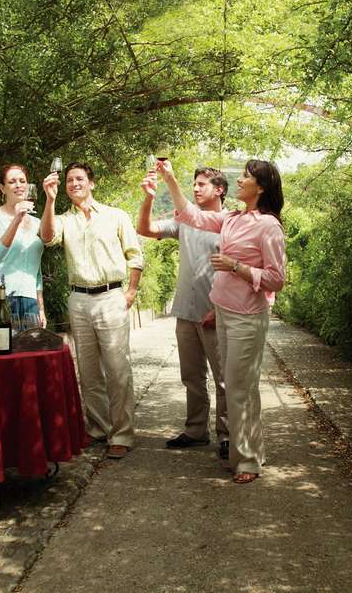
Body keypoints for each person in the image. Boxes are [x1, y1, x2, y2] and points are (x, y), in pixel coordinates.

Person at [160, 159, 285, 484]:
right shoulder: (232, 218)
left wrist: (236, 267)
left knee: (241, 388)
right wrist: (171, 178)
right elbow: (192, 215)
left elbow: (276, 279)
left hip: (247, 316)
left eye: (246, 176)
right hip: (225, 312)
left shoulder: (268, 226)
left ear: (261, 187)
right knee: (234, 385)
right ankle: (242, 453)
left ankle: (248, 461)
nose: (239, 180)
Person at [40, 162, 143, 460]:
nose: (74, 183)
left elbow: (135, 256)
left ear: (92, 183)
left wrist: (131, 291)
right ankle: (98, 428)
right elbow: (47, 238)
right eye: (70, 180)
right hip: (79, 299)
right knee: (88, 371)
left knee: (117, 368)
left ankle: (122, 434)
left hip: (111, 296)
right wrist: (48, 198)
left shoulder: (115, 216)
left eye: (80, 179)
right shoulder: (62, 219)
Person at [136, 167, 229, 459]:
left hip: (217, 312)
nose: (196, 189)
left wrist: (219, 308)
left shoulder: (230, 222)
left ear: (220, 190)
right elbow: (145, 229)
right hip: (186, 312)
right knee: (191, 376)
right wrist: (149, 199)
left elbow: (237, 269)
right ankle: (196, 431)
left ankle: (227, 435)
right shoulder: (185, 220)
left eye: (202, 184)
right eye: (194, 184)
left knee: (224, 378)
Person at [0, 164, 46, 327]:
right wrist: (17, 218)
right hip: (2, 297)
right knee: (4, 348)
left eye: (22, 181)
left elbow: (37, 270)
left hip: (30, 299)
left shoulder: (37, 222)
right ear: (2, 188)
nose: (18, 185)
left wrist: (41, 308)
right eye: (12, 182)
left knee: (30, 350)